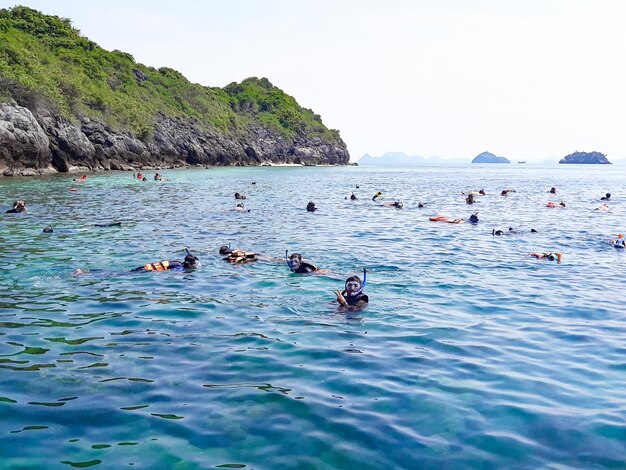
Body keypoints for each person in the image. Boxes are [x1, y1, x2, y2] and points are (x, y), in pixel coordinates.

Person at [131, 251, 199, 272]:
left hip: (143, 268)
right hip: (144, 271)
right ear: (188, 263)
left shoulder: (178, 262)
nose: (195, 265)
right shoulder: (179, 267)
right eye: (194, 263)